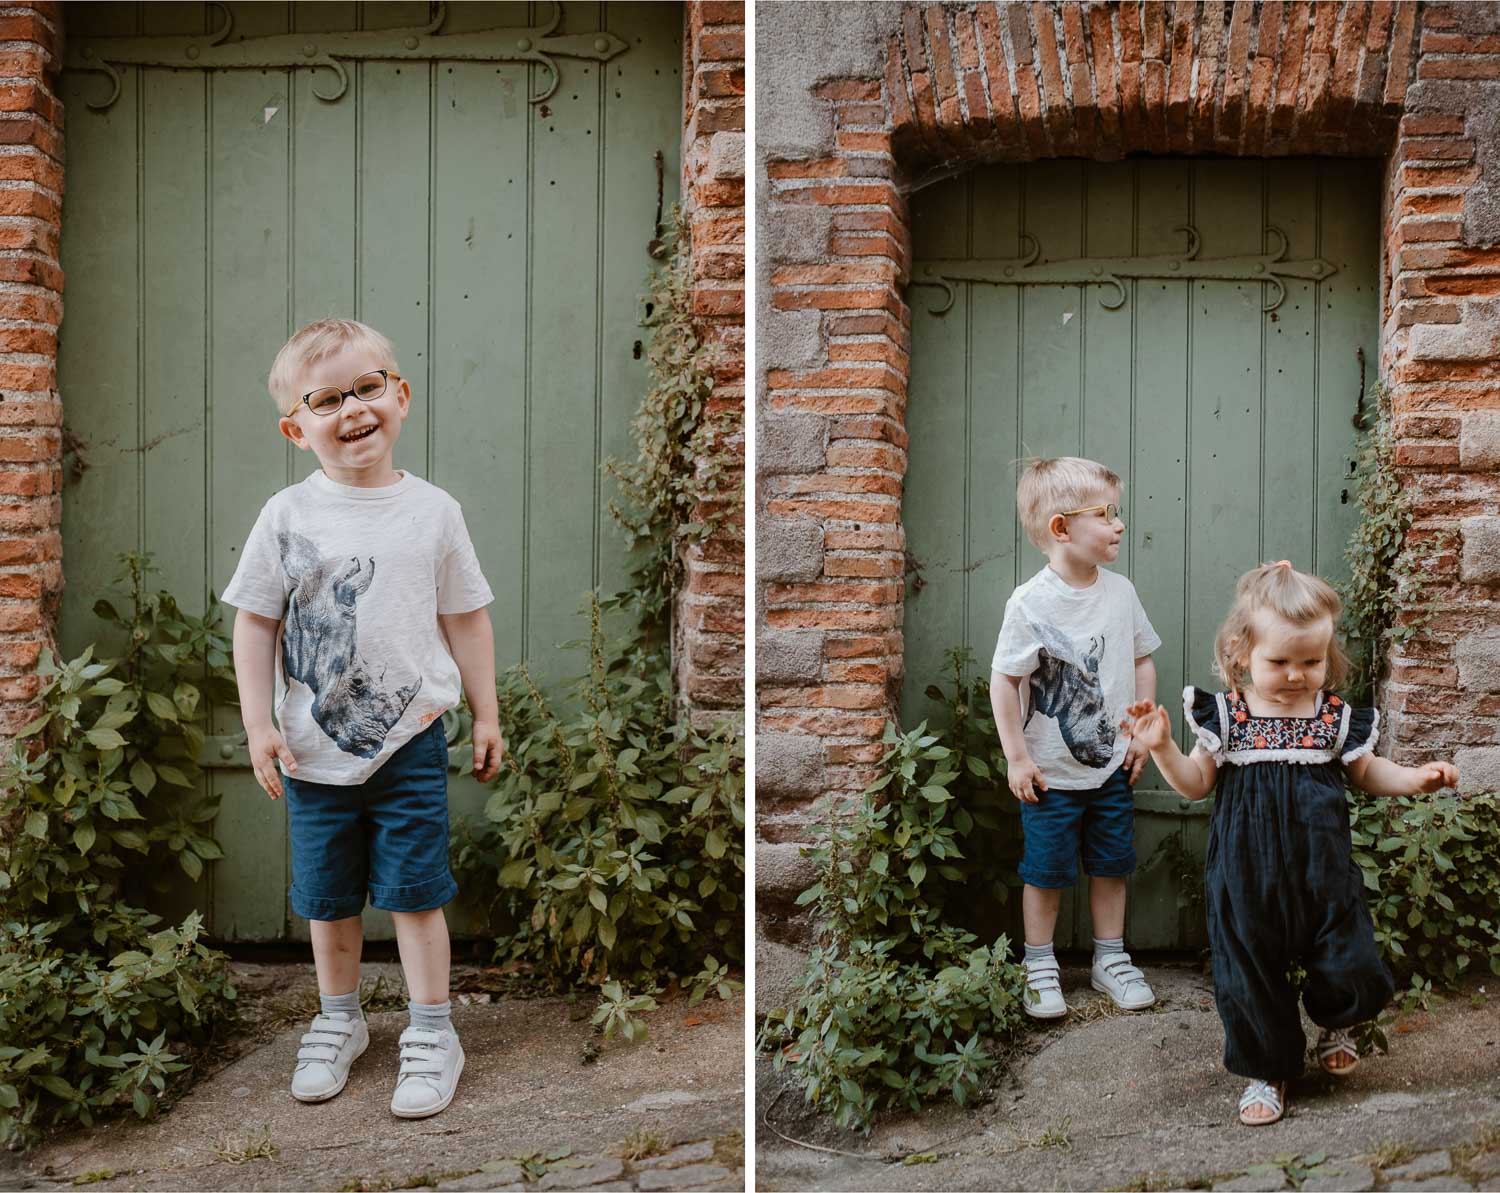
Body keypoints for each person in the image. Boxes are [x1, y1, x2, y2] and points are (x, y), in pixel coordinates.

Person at [223, 318, 504, 1118]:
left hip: (409, 743)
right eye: (325, 398)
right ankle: (340, 1019)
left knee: (416, 892)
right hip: (313, 754)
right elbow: (254, 623)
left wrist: (487, 713)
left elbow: (468, 617)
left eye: (366, 387)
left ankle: (431, 1030)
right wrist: (257, 723)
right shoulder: (285, 515)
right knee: (328, 897)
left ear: (400, 395)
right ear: (296, 427)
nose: (351, 409)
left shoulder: (434, 511)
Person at [1123, 560, 1458, 1126]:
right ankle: (1267, 1069)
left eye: (1312, 661)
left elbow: (1368, 772)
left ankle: (1336, 1020)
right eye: (1279, 661)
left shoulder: (1333, 718)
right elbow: (1195, 785)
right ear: (1241, 653)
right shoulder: (1227, 718)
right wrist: (1162, 749)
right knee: (1248, 971)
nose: (1298, 674)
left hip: (1321, 869)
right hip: (1245, 872)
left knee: (1350, 957)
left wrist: (1415, 778)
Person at [989, 457, 1162, 1021]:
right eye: (1106, 515)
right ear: (1061, 528)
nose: (1119, 525)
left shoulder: (1120, 591)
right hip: (1048, 775)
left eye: (1118, 514)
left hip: (1110, 766)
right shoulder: (1030, 603)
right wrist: (1017, 757)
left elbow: (1141, 660)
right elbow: (1005, 681)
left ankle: (1109, 959)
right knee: (1045, 872)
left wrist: (1140, 733)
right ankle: (1039, 964)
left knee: (1112, 865)